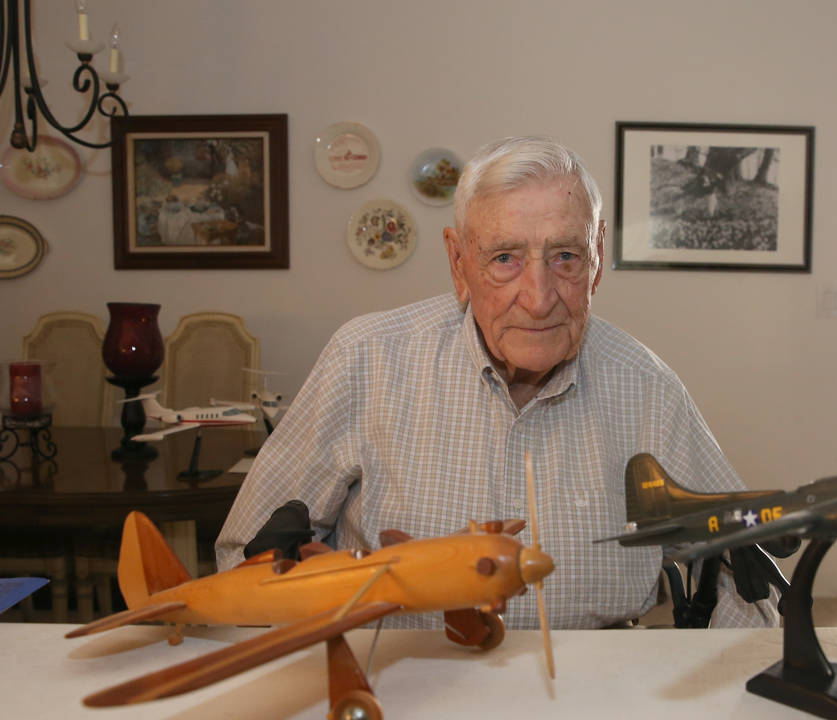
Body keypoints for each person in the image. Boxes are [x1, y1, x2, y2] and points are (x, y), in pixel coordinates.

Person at [216, 135, 778, 629]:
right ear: (459, 265)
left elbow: (735, 559)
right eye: (505, 258)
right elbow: (245, 552)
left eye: (565, 256)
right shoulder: (365, 359)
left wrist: (725, 695)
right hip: (398, 683)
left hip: (593, 688)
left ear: (598, 258)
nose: (537, 299)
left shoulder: (648, 386)